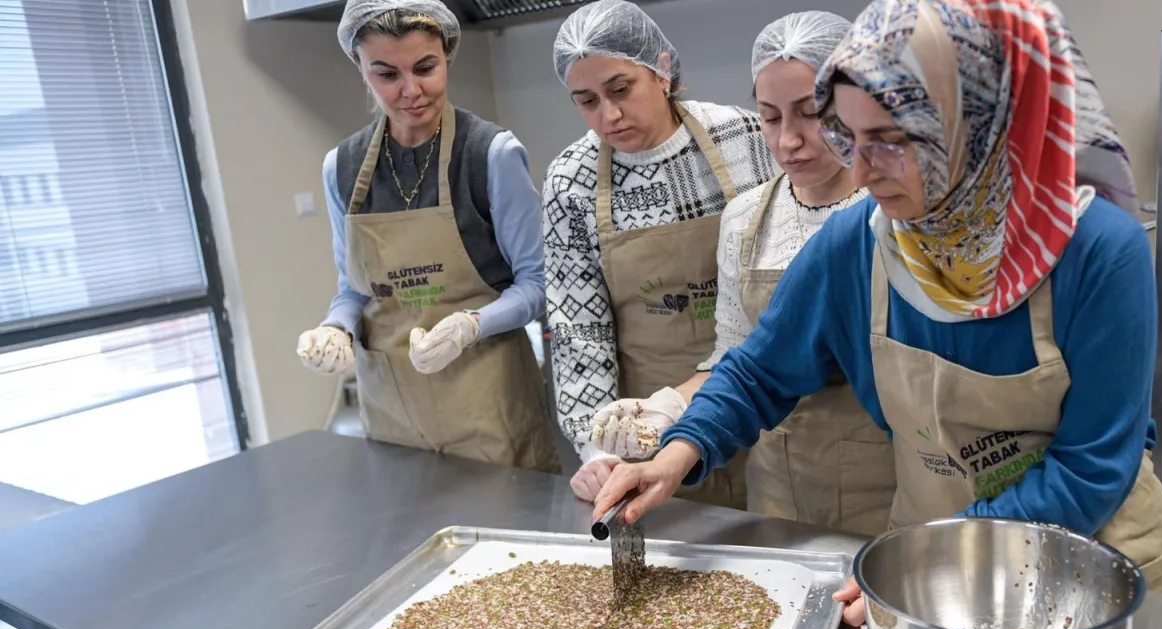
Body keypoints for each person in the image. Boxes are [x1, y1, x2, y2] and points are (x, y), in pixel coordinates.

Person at [593, 0, 1162, 624]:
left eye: (889, 141)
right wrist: (677, 452)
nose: (859, 168)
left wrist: (934, 558)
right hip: (929, 565)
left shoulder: (1098, 251)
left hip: (1088, 564)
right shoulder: (859, 243)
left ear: (979, 123)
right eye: (849, 137)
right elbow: (758, 370)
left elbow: (1092, 465)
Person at [588, 12, 895, 535]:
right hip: (777, 483)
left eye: (810, 114)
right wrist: (669, 409)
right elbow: (742, 362)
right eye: (770, 117)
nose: (788, 140)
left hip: (883, 483)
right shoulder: (747, 219)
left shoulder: (885, 216)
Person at [296, 0, 560, 473]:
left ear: (448, 53)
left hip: (489, 406)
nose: (411, 91)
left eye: (425, 68)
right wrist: (335, 328)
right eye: (387, 74)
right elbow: (354, 289)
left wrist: (470, 326)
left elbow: (537, 285)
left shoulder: (490, 155)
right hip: (393, 414)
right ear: (359, 66)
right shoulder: (342, 167)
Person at [543, 0, 777, 508]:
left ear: (662, 69)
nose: (608, 115)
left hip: (766, 413)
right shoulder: (570, 180)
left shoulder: (747, 137)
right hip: (646, 437)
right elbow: (579, 330)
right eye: (586, 101)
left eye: (620, 89)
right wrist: (597, 449)